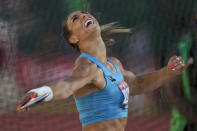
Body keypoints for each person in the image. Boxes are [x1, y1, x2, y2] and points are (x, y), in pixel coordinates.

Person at [17, 11, 189, 131]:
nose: (83, 15)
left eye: (83, 13)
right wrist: (38, 93)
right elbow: (66, 87)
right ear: (73, 38)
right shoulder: (88, 66)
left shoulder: (114, 64)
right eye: (75, 19)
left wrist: (169, 71)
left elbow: (137, 84)